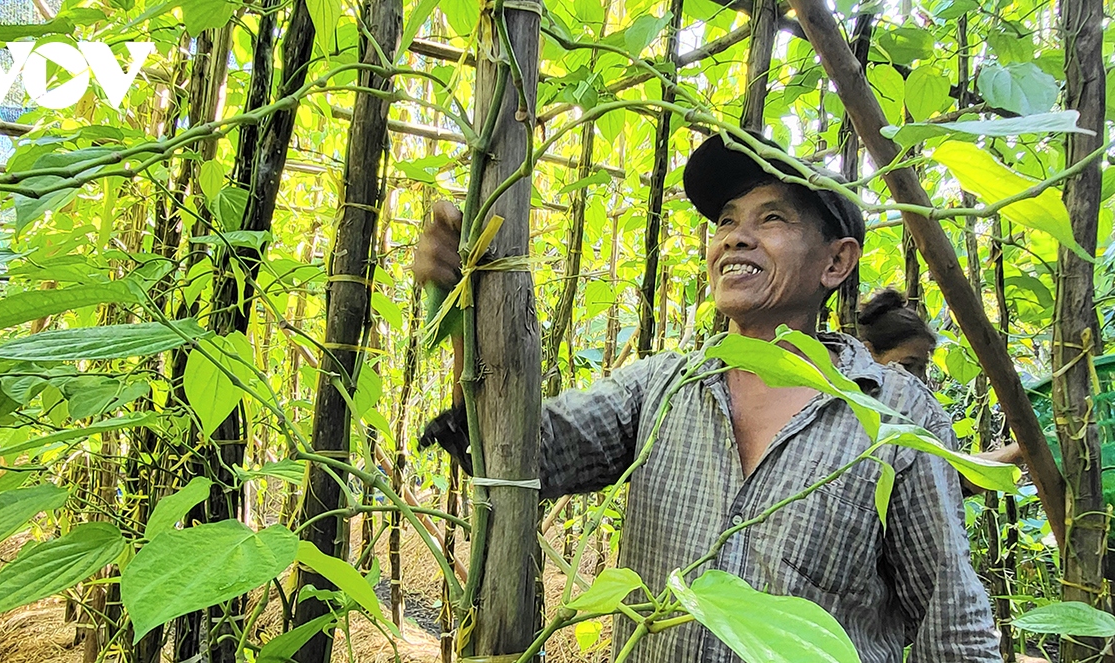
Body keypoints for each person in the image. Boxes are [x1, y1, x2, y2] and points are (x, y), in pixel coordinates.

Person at [415, 132, 1000, 662]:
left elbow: (951, 622)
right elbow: (526, 454)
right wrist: (464, 302)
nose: (736, 237)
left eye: (772, 218)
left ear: (836, 261)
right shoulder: (660, 387)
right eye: (726, 220)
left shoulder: (896, 415)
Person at [858, 288, 1024, 478]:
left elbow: (948, 475)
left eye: (922, 368)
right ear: (868, 353)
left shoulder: (918, 411)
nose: (915, 378)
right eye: (907, 365)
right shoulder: (848, 410)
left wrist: (1019, 451)